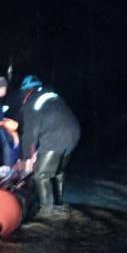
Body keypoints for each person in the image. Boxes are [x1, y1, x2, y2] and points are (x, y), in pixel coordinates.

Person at [17, 74, 81, 212]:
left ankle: (47, 213)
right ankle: (59, 205)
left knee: (41, 175)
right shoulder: (51, 95)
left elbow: (30, 134)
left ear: (26, 91)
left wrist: (27, 158)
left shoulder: (32, 102)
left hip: (55, 136)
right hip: (74, 133)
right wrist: (35, 154)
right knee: (57, 172)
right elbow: (48, 122)